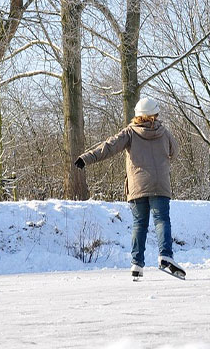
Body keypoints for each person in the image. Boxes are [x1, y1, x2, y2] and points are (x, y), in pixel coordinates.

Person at [75, 97, 185, 280]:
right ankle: (165, 255)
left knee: (139, 225)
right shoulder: (164, 132)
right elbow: (174, 151)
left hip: (137, 185)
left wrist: (86, 158)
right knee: (161, 220)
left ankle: (137, 264)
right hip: (160, 184)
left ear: (137, 115)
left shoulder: (130, 133)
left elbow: (108, 147)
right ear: (155, 114)